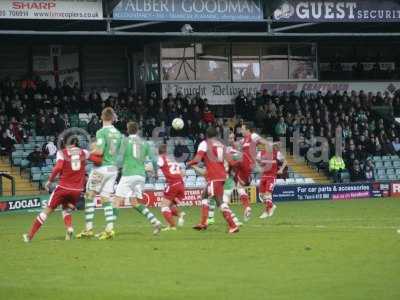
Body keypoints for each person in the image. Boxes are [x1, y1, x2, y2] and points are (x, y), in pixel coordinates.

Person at [23, 136, 101, 242]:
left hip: (63, 187)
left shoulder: (62, 153)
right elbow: (98, 160)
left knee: (47, 210)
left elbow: (58, 167)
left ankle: (29, 236)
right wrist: (101, 153)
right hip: (77, 190)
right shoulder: (84, 152)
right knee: (65, 208)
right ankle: (69, 228)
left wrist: (50, 180)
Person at [77, 107, 122, 240]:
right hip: (113, 169)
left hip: (101, 169)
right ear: (113, 118)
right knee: (105, 198)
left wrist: (87, 152)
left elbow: (100, 151)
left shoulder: (101, 131)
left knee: (89, 195)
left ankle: (88, 229)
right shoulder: (118, 133)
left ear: (102, 117)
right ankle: (109, 229)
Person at [187, 127, 239, 234]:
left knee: (218, 202)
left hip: (214, 177)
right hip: (222, 176)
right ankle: (203, 223)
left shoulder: (204, 143)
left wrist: (190, 163)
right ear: (216, 135)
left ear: (206, 135)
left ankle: (232, 225)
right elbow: (232, 162)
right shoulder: (222, 145)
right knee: (206, 196)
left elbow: (197, 159)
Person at [114, 122, 162, 235]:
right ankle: (155, 221)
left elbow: (120, 160)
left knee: (116, 201)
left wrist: (116, 167)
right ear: (138, 130)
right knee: (134, 202)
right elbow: (154, 160)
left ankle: (109, 229)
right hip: (141, 175)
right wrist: (155, 172)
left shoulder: (124, 142)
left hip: (128, 174)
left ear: (127, 129)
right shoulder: (145, 143)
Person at [157, 144, 186, 231]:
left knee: (164, 206)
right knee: (171, 204)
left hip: (173, 184)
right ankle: (180, 215)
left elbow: (154, 166)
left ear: (159, 152)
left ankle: (172, 226)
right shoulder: (173, 160)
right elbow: (183, 173)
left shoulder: (161, 158)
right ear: (166, 152)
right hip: (180, 184)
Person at [257, 143, 287, 219]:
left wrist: (281, 169)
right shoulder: (261, 153)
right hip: (263, 176)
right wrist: (259, 164)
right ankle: (272, 206)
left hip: (271, 176)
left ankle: (267, 211)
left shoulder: (276, 153)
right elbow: (258, 161)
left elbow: (285, 161)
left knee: (267, 194)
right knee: (261, 196)